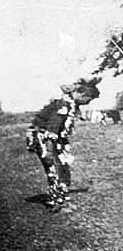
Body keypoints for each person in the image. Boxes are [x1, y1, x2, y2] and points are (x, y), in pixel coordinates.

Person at [26, 77, 101, 211]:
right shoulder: (63, 105)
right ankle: (55, 201)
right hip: (44, 138)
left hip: (54, 139)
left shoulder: (69, 104)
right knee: (54, 169)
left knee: (63, 167)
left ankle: (61, 197)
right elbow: (52, 127)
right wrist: (49, 150)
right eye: (88, 99)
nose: (87, 103)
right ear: (81, 95)